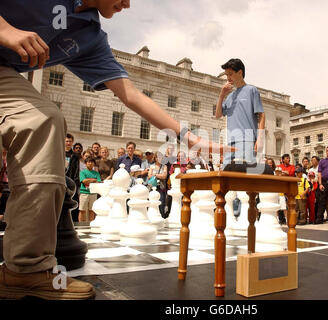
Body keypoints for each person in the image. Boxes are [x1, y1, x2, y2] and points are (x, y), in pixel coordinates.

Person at [0, 0, 231, 300]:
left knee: (44, 121)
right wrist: (5, 29)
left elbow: (131, 95)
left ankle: (25, 269)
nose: (127, 3)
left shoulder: (90, 37)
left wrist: (191, 139)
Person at [215, 58, 265, 166]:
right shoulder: (230, 96)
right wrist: (222, 95)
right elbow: (218, 115)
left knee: (241, 175)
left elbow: (261, 115)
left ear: (240, 72)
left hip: (247, 140)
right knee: (225, 173)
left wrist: (260, 138)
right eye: (226, 75)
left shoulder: (252, 90)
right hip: (231, 142)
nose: (228, 78)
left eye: (230, 74)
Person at [79, 157, 101, 222]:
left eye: (91, 162)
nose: (90, 163)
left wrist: (89, 180)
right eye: (88, 162)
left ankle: (91, 224)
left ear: (94, 164)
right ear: (85, 163)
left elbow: (98, 181)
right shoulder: (82, 172)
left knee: (91, 210)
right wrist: (93, 180)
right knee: (82, 210)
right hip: (84, 193)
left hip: (93, 193)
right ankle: (81, 224)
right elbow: (84, 181)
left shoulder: (96, 173)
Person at [148, 152, 168, 217]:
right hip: (152, 187)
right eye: (157, 157)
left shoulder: (164, 166)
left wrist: (155, 175)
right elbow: (149, 176)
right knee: (152, 203)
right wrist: (159, 175)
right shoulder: (152, 166)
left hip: (161, 187)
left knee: (161, 203)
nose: (159, 158)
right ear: (155, 158)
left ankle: (161, 217)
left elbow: (164, 176)